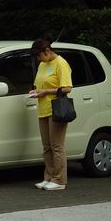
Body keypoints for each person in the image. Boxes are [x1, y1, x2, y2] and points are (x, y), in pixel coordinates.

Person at [29, 36, 73, 191]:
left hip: (57, 110)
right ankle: (48, 177)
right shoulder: (43, 64)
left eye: (39, 55)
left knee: (57, 146)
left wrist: (46, 91)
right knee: (47, 146)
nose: (38, 58)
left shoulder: (61, 63)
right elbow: (39, 84)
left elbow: (67, 88)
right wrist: (36, 92)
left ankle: (59, 180)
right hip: (43, 109)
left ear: (47, 51)